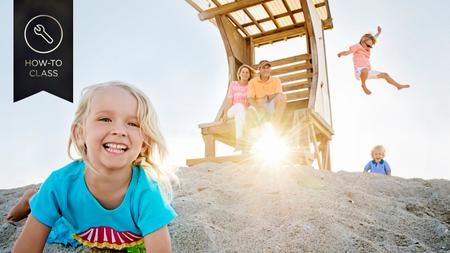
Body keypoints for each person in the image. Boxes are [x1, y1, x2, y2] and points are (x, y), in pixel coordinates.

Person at [12, 82, 177, 253]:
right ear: (80, 133)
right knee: (57, 229)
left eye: (133, 124)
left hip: (130, 241)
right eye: (105, 119)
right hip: (79, 229)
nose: (119, 130)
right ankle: (31, 199)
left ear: (144, 143)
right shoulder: (59, 185)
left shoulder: (147, 193)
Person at [337, 26, 410, 95]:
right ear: (363, 40)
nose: (369, 45)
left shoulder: (367, 49)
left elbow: (374, 38)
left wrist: (379, 32)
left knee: (385, 75)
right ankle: (363, 85)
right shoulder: (357, 46)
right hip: (359, 72)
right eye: (368, 42)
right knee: (364, 70)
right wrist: (341, 53)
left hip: (368, 72)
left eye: (370, 44)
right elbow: (348, 52)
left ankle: (398, 86)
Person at [220, 64, 253, 151]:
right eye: (243, 72)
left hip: (244, 113)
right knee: (239, 106)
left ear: (249, 75)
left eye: (247, 72)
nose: (245, 74)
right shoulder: (233, 84)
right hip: (232, 111)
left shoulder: (251, 86)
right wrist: (225, 114)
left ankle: (239, 141)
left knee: (240, 115)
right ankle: (242, 140)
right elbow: (229, 100)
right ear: (239, 74)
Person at [247, 60, 286, 127]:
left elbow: (278, 94)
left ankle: (276, 125)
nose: (266, 70)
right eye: (263, 68)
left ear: (270, 69)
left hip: (271, 105)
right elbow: (250, 98)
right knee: (250, 112)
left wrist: (267, 97)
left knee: (282, 97)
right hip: (258, 105)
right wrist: (258, 107)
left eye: (267, 67)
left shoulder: (276, 80)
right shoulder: (252, 82)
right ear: (259, 69)